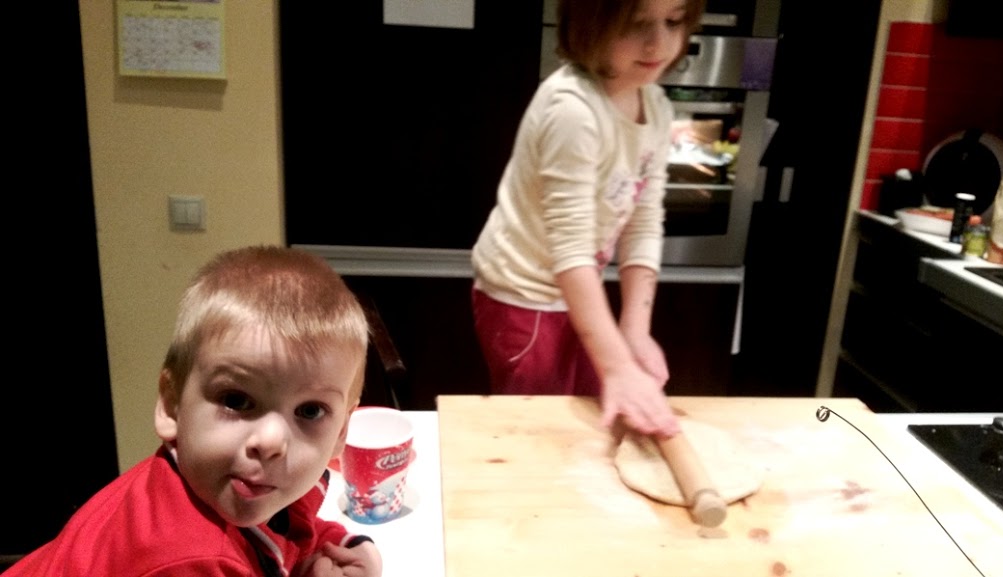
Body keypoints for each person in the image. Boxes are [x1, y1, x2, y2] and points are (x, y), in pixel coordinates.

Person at [7, 246, 383, 577]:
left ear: (341, 432)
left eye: (310, 411)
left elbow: (286, 528)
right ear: (171, 405)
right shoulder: (190, 559)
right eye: (236, 400)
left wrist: (347, 547)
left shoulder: (254, 485)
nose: (271, 441)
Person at [470, 0, 705, 439]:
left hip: (576, 290)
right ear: (589, 24)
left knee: (588, 423)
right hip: (523, 298)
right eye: (636, 23)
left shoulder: (656, 107)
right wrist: (617, 365)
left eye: (673, 21)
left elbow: (644, 220)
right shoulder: (573, 110)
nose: (658, 42)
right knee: (541, 433)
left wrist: (635, 330)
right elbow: (571, 250)